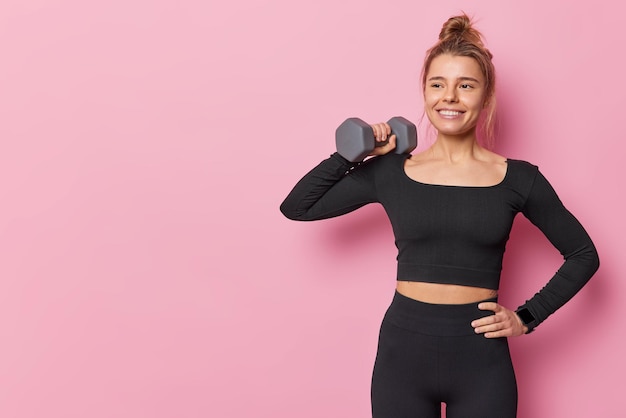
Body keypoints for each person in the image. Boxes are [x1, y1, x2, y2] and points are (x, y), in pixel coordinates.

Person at [279, 13, 599, 418]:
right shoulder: (390, 172)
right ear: (425, 93)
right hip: (402, 357)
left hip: (481, 362)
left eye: (465, 85)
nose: (450, 96)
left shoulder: (518, 178)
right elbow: (297, 206)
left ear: (486, 96)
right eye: (438, 84)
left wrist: (526, 317)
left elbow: (584, 254)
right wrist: (353, 154)